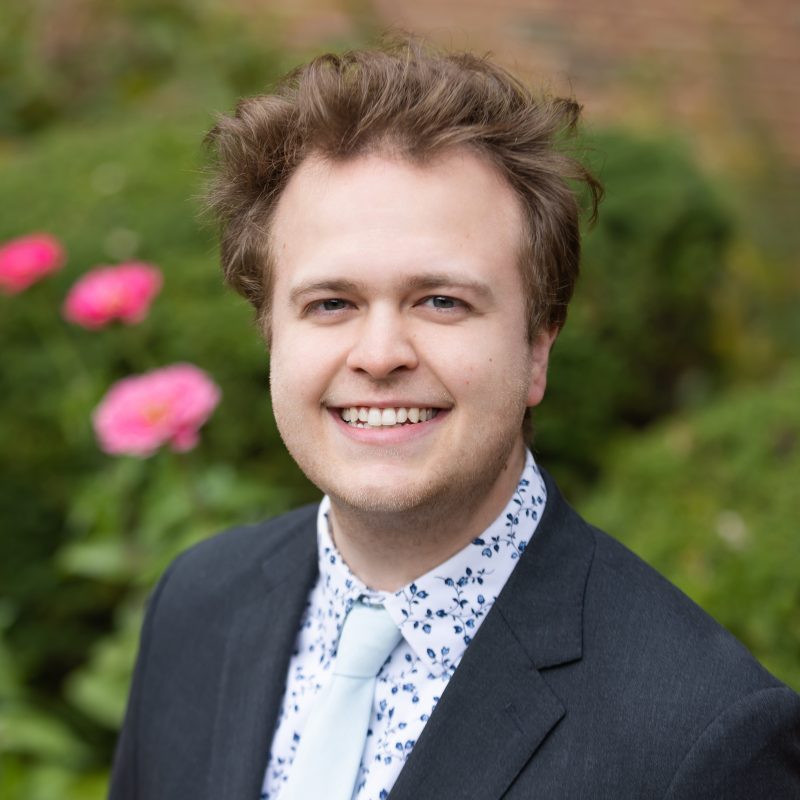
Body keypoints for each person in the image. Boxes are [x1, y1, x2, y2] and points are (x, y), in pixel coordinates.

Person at [109, 40, 800, 799]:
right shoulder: (196, 605)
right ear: (272, 333)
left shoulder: (703, 739)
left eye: (441, 301)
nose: (379, 354)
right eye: (330, 303)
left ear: (538, 347)